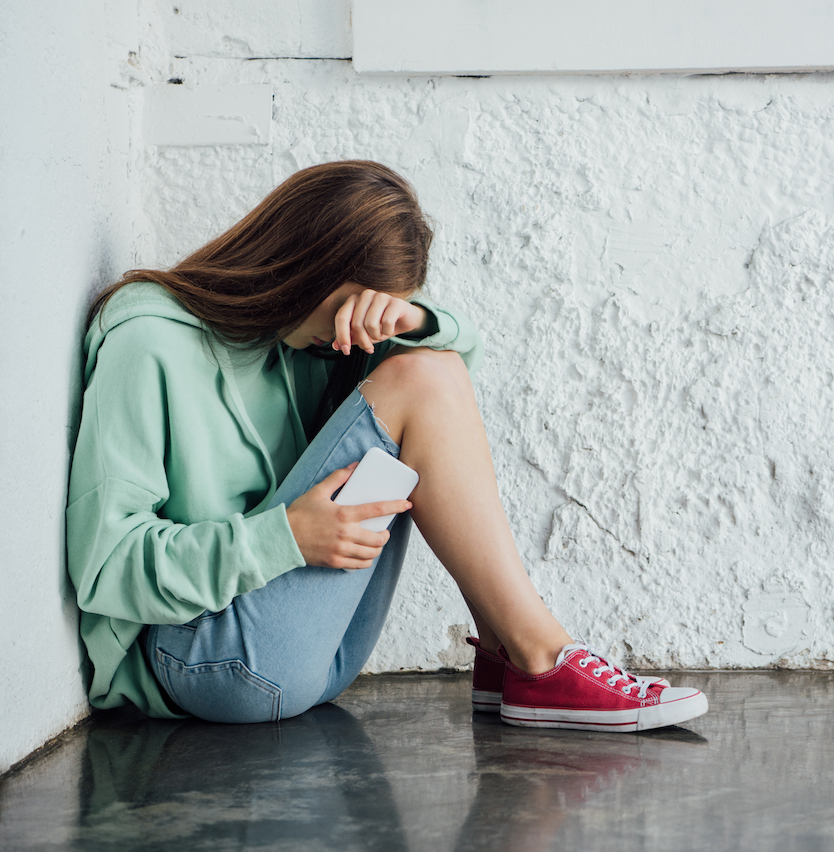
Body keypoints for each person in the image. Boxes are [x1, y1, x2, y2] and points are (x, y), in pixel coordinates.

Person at [66, 160, 707, 731]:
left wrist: (418, 320)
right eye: (350, 312)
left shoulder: (308, 341)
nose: (348, 339)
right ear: (301, 268)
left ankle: (509, 652)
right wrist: (282, 537)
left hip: (319, 657)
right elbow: (104, 564)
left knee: (432, 368)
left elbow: (452, 376)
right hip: (203, 659)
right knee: (422, 376)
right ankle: (537, 659)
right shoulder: (149, 342)